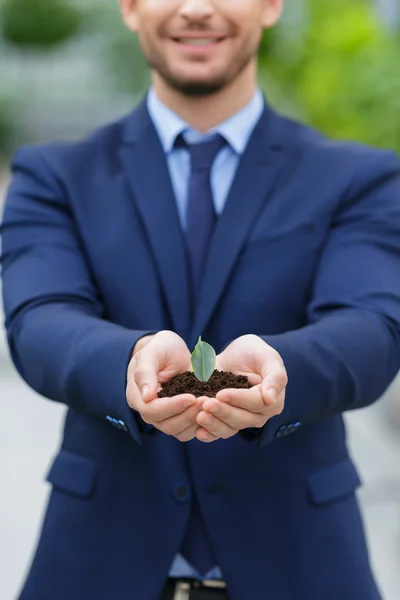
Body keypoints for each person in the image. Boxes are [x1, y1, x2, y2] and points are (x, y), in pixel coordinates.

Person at [1, 0, 400, 598]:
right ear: (131, 7)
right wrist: (128, 360)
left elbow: (373, 325)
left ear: (270, 6)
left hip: (303, 566)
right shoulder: (54, 175)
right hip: (95, 564)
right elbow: (38, 319)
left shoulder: (357, 177)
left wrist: (280, 370)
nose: (195, 9)